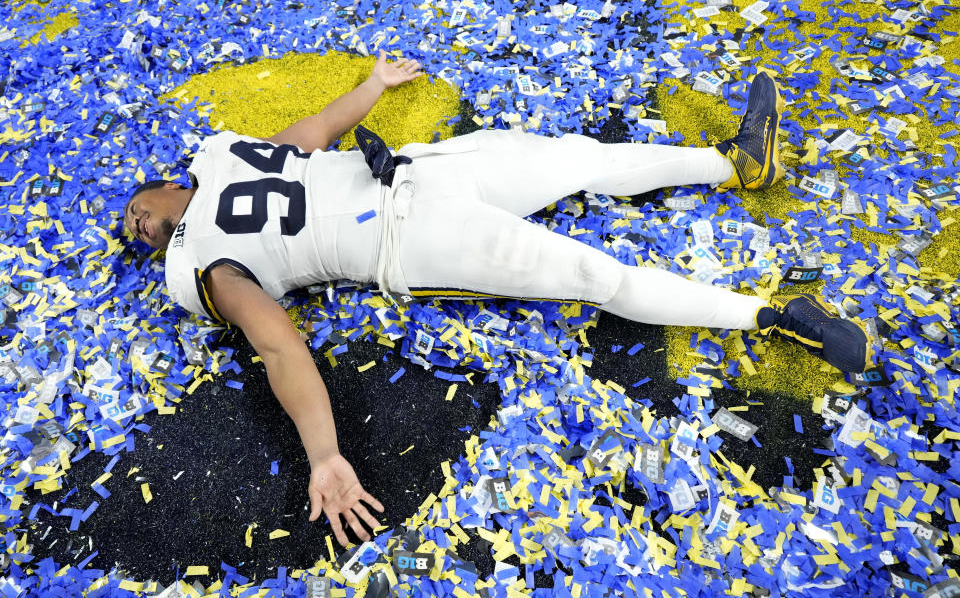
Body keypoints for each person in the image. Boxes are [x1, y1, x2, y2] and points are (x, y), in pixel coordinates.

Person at [123, 51, 874, 548]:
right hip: (408, 239)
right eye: (133, 236)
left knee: (579, 159)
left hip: (430, 166)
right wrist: (324, 455)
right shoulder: (199, 261)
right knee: (594, 276)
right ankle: (771, 316)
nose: (135, 228)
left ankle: (734, 163)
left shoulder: (220, 155)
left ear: (165, 180)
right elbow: (278, 344)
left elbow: (308, 135)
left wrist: (375, 87)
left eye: (132, 211)